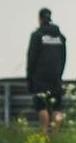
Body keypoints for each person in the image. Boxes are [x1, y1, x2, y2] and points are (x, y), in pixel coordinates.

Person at [26, 7, 68, 135]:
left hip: (40, 79)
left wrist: (30, 78)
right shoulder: (60, 37)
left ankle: (44, 134)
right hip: (56, 77)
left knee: (41, 107)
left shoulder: (37, 35)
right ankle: (56, 135)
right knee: (57, 107)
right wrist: (59, 74)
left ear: (39, 19)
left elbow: (31, 58)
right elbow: (64, 57)